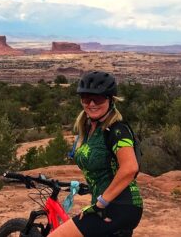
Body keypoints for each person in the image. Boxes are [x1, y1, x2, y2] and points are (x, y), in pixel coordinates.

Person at [49, 71, 143, 237]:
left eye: (98, 99)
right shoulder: (89, 129)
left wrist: (101, 202)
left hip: (118, 206)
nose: (91, 103)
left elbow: (130, 168)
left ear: (110, 99)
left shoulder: (117, 130)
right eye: (86, 98)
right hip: (111, 205)